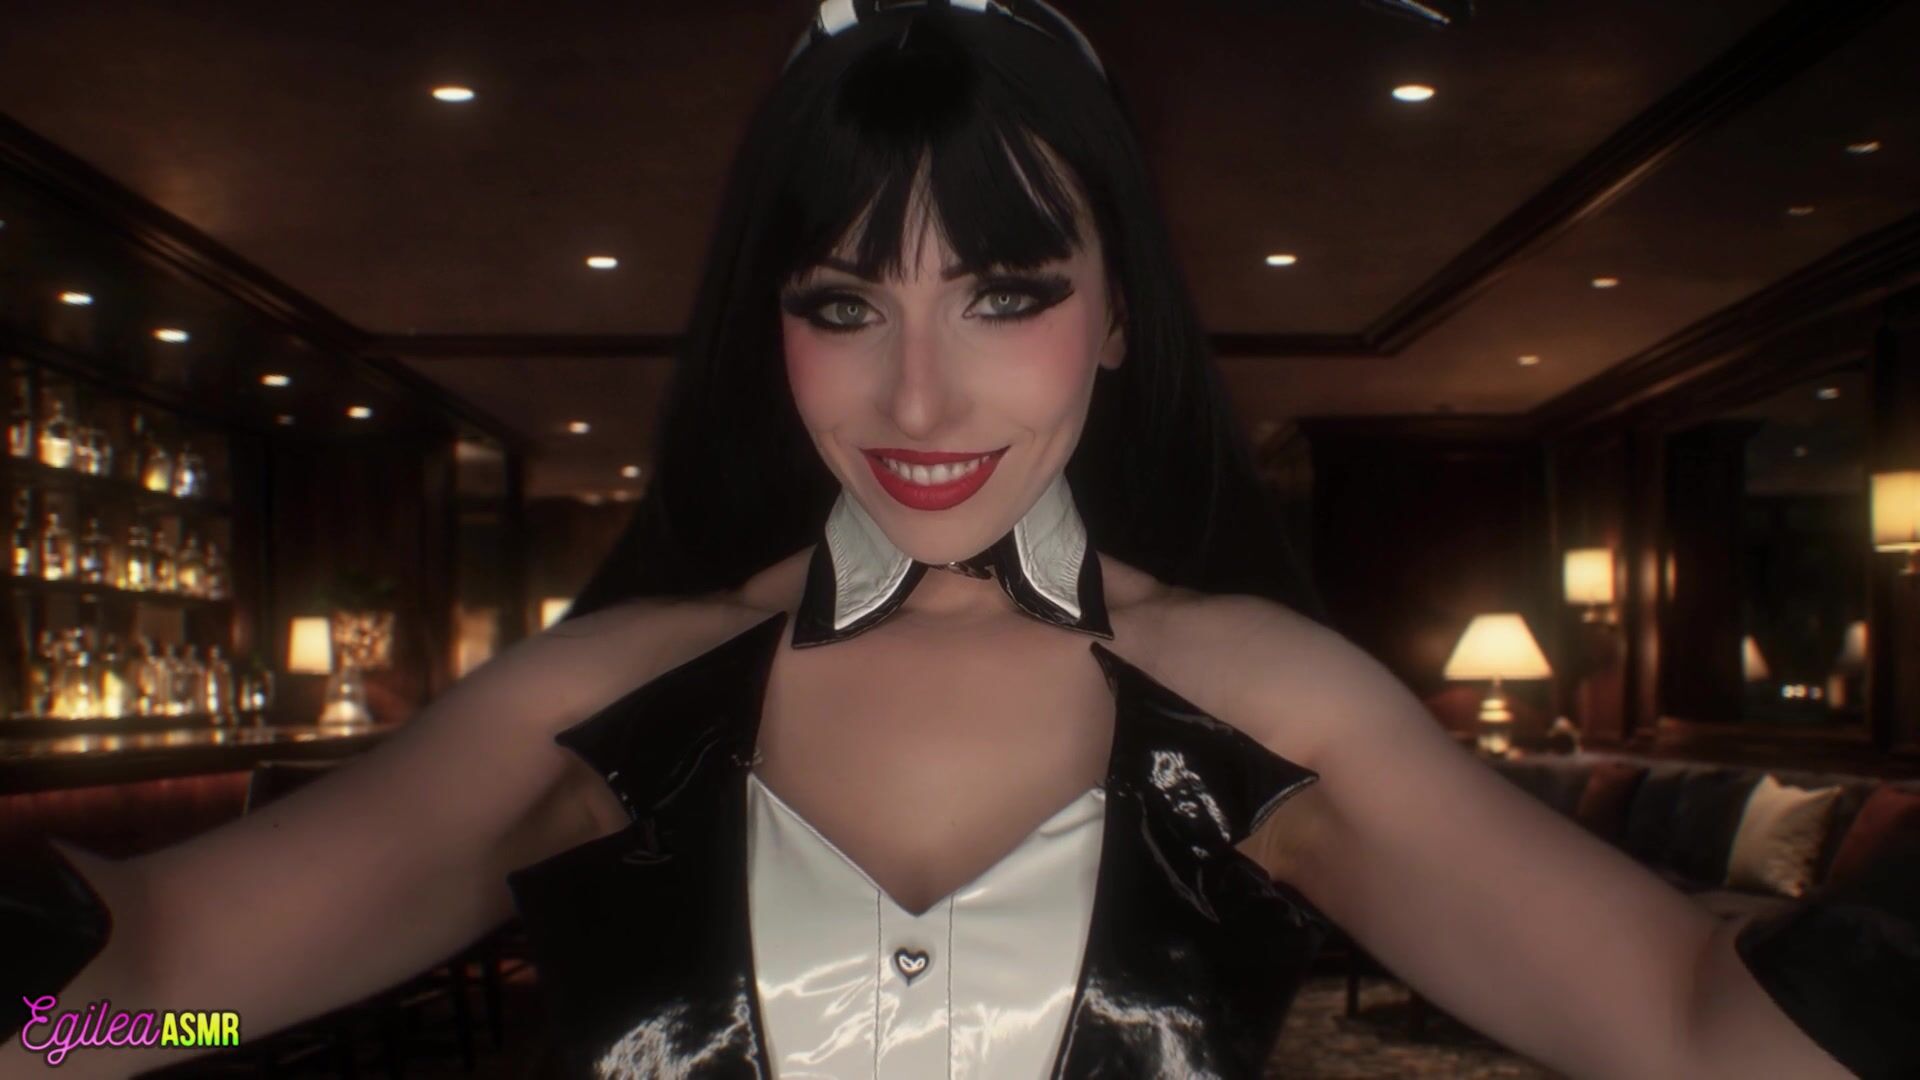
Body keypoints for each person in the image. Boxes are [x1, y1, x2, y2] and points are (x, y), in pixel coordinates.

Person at [4, 2, 1913, 1077]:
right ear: (770, 329)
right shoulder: (602, 704)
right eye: (844, 304)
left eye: (1003, 294)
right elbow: (150, 993)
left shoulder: (1263, 702)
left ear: (1118, 311)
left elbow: (1695, 1032)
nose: (918, 399)